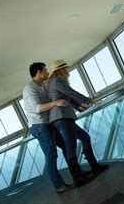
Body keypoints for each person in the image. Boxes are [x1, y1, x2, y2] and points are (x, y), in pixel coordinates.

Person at [23, 62, 93, 194]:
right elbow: (37, 108)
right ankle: (59, 186)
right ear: (39, 72)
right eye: (45, 70)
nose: (48, 73)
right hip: (39, 126)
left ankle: (79, 173)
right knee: (51, 155)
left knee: (66, 147)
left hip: (49, 123)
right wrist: (56, 102)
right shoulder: (29, 88)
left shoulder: (43, 86)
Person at [47, 59, 109, 187]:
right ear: (60, 70)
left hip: (65, 117)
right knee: (71, 147)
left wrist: (83, 107)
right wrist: (90, 100)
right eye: (65, 68)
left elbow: (69, 99)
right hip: (62, 118)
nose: (67, 70)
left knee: (85, 138)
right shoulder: (57, 81)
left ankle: (94, 166)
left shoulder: (56, 82)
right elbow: (72, 94)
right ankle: (77, 179)